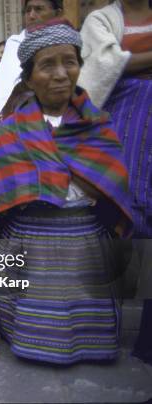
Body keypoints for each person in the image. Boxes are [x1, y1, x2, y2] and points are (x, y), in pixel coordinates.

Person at [0, 19, 133, 364]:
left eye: (70, 62)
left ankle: (92, 346)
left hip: (84, 233)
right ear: (30, 78)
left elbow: (112, 184)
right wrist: (66, 171)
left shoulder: (97, 124)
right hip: (31, 236)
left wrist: (53, 165)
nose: (61, 73)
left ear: (80, 67)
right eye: (48, 65)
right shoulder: (11, 130)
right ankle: (34, 343)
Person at [77, 0, 152, 366]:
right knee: (124, 212)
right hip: (125, 125)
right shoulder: (100, 19)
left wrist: (130, 59)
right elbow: (102, 66)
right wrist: (129, 62)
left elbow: (120, 60)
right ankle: (104, 321)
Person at [0, 0, 63, 117]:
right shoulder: (14, 43)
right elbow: (0, 91)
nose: (31, 16)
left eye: (38, 9)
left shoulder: (67, 46)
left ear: (57, 13)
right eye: (28, 10)